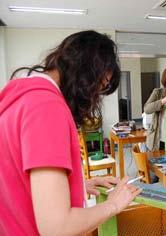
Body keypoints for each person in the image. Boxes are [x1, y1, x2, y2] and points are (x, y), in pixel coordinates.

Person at [0, 30, 141, 235]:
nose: (94, 100)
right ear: (85, 74)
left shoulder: (20, 97)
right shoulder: (46, 107)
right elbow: (57, 227)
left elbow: (18, 183)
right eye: (97, 88)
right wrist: (113, 205)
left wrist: (75, 185)